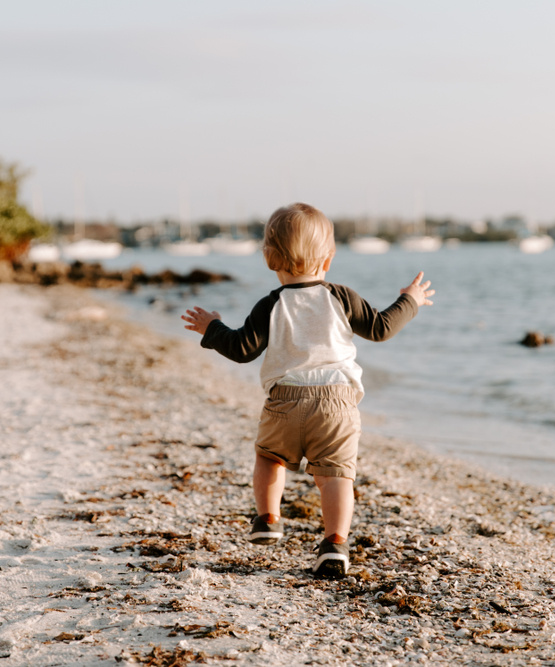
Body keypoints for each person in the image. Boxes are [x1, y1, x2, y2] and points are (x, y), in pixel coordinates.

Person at [181, 202, 435, 579]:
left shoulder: (271, 304)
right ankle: (334, 543)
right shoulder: (341, 297)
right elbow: (381, 328)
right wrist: (410, 301)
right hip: (337, 402)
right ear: (328, 259)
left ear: (270, 258)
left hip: (283, 399)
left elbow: (241, 349)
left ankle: (268, 518)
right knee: (335, 475)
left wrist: (212, 328)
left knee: (270, 457)